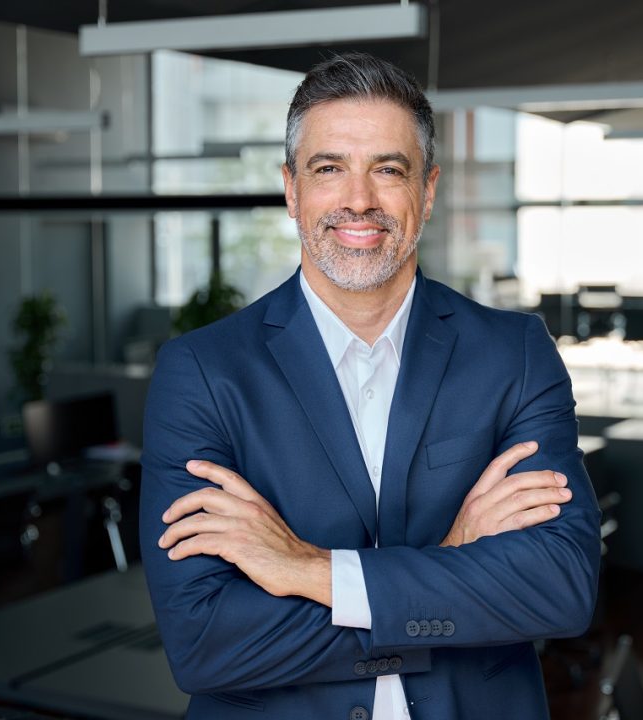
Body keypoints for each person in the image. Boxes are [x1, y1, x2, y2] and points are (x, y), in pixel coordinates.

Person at [140, 52, 601, 720]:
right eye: (329, 169)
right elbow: (205, 642)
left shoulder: (514, 354)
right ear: (291, 190)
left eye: (388, 169)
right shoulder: (204, 373)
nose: (359, 199)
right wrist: (450, 563)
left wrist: (310, 570)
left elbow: (559, 589)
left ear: (429, 190)